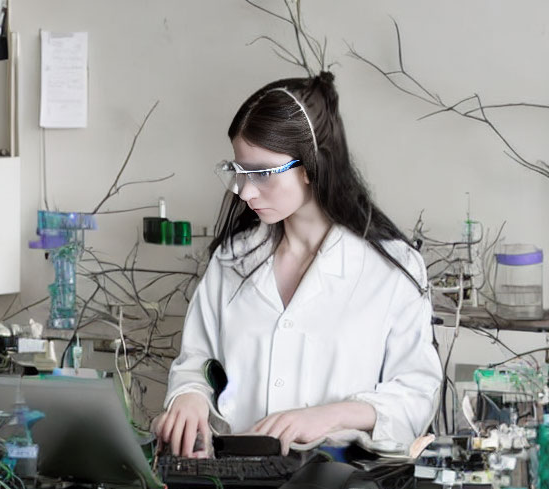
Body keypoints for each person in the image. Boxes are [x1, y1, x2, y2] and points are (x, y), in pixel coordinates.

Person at [154, 72, 441, 458]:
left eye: (262, 174)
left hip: (336, 485)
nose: (247, 192)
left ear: (310, 166)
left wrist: (328, 417)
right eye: (239, 172)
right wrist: (189, 396)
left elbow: (417, 394)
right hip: (232, 476)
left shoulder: (390, 269)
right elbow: (197, 363)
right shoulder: (232, 261)